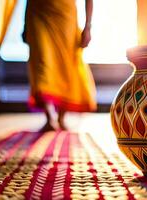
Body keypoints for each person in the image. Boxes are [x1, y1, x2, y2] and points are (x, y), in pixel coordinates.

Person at [23, 0, 97, 131]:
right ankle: (49, 116)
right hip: (38, 12)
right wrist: (25, 24)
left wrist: (88, 26)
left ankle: (61, 117)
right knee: (42, 63)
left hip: (64, 14)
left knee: (66, 65)